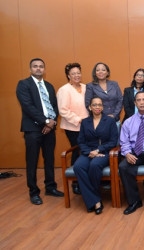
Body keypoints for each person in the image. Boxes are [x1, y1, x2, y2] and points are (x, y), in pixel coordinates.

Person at [16, 58, 64, 205]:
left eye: (41, 67)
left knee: (49, 158)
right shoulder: (24, 84)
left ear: (44, 69)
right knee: (32, 161)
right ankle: (34, 192)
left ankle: (50, 187)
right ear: (30, 69)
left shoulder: (49, 86)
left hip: (49, 129)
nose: (38, 69)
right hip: (33, 129)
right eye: (35, 66)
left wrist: (51, 122)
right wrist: (45, 121)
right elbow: (28, 106)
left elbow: (55, 107)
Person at [73, 97, 118, 215]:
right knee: (78, 166)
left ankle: (92, 200)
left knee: (94, 165)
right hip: (88, 152)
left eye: (99, 105)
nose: (97, 107)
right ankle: (95, 200)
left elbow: (113, 141)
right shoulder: (85, 122)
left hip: (105, 152)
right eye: (94, 105)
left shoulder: (109, 121)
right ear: (90, 107)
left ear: (102, 107)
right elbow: (81, 141)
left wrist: (98, 150)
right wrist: (89, 152)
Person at [57, 63, 89, 195]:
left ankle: (86, 179)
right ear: (68, 76)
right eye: (73, 73)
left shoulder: (85, 87)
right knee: (77, 151)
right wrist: (78, 120)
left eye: (78, 73)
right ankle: (76, 182)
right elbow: (63, 110)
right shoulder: (64, 90)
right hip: (73, 126)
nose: (77, 75)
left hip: (87, 126)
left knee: (87, 152)